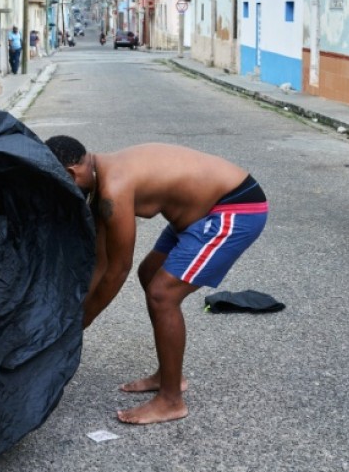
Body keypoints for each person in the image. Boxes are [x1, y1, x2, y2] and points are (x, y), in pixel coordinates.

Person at [45, 136, 268, 424]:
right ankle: (168, 374)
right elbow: (100, 262)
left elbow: (117, 269)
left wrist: (76, 328)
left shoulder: (114, 187)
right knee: (149, 274)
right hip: (195, 215)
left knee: (163, 294)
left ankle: (171, 400)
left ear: (71, 173)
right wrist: (74, 317)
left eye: (61, 185)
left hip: (234, 206)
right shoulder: (99, 181)